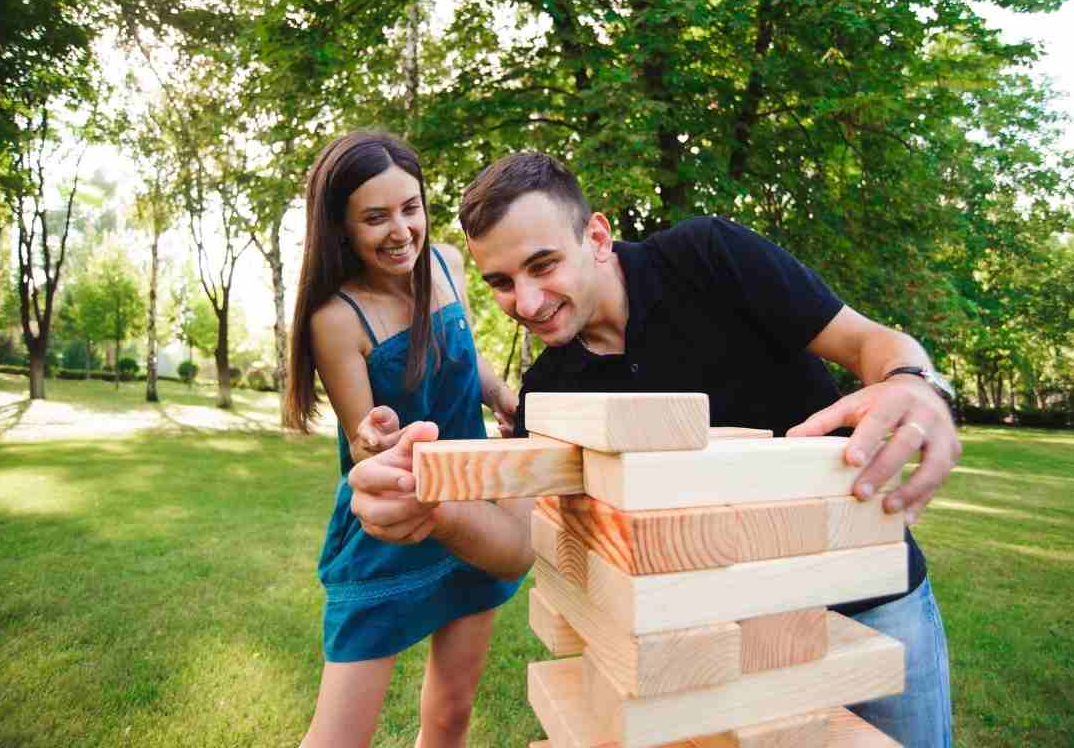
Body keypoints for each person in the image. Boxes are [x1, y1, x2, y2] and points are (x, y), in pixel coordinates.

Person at [357, 152, 960, 745]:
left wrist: (910, 381)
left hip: (868, 602)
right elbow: (517, 547)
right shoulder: (547, 389)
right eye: (502, 284)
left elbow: (871, 344)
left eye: (543, 266)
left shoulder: (709, 255)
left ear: (596, 236)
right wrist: (432, 505)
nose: (528, 303)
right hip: (709, 641)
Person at [283, 131, 533, 748]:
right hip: (392, 527)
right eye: (375, 217)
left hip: (472, 514)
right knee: (339, 738)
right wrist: (378, 436)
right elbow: (363, 438)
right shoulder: (336, 317)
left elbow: (461, 357)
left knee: (450, 718)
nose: (400, 231)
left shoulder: (447, 261)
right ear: (341, 226)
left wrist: (501, 396)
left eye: (410, 208)